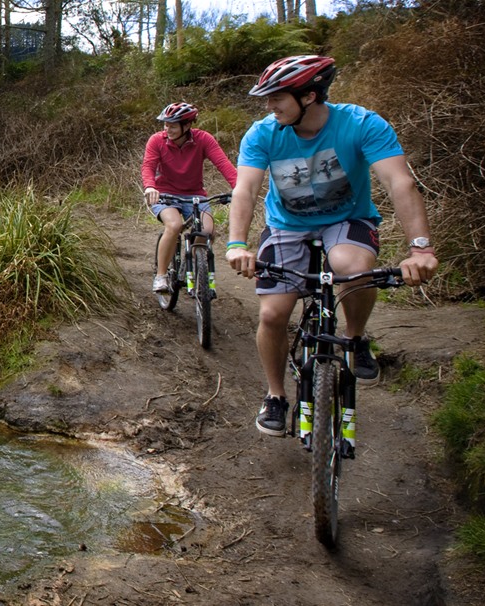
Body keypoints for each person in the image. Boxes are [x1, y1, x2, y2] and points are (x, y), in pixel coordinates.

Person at [223, 55, 438, 437]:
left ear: (309, 95)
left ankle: (354, 339)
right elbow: (246, 189)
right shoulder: (262, 134)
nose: (269, 107)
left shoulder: (361, 124)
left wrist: (420, 248)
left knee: (350, 268)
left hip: (347, 220)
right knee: (273, 314)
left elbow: (399, 183)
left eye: (277, 98)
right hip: (286, 224)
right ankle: (275, 395)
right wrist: (237, 243)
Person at [142, 101, 239, 293]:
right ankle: (161, 276)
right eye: (165, 124)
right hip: (165, 194)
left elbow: (224, 164)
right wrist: (150, 187)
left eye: (172, 125)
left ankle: (194, 267)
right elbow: (148, 166)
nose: (167, 129)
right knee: (174, 225)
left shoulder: (203, 139)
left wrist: (239, 188)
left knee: (207, 231)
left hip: (194, 195)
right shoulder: (157, 140)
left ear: (187, 125)